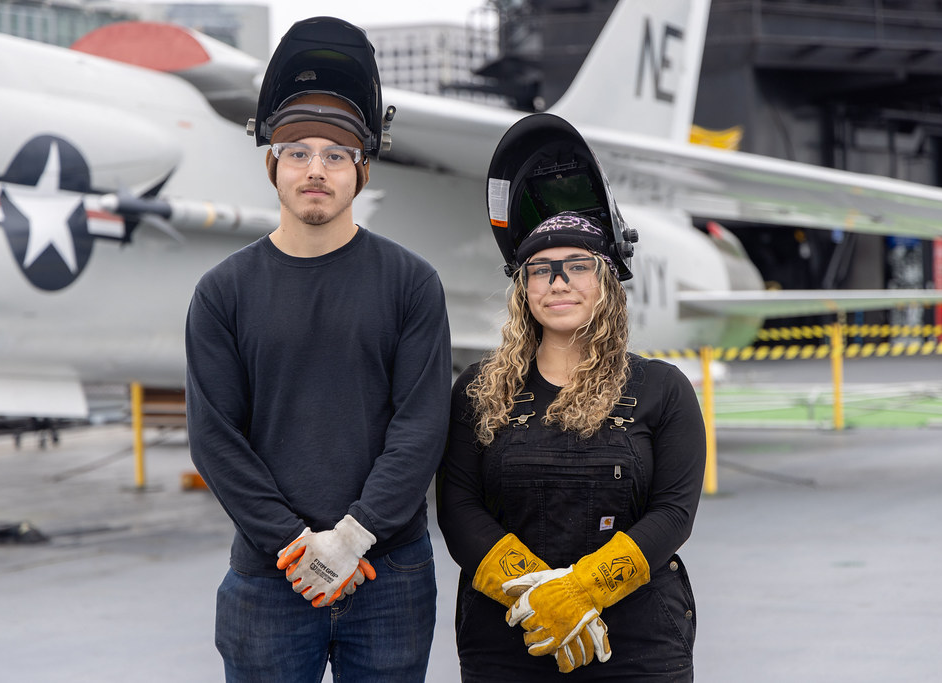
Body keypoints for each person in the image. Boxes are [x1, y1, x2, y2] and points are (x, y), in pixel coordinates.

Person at [185, 18, 451, 681]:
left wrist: (355, 535)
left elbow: (420, 426)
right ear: (271, 163)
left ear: (362, 169)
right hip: (271, 577)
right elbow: (215, 437)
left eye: (336, 155)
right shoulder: (223, 292)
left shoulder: (411, 283)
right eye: (297, 151)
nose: (315, 169)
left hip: (388, 574)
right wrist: (294, 543)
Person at [437, 211, 706, 681]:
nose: (558, 282)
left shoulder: (662, 388)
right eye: (541, 270)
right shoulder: (480, 388)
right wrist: (540, 598)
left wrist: (582, 591)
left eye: (578, 266)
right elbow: (458, 508)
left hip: (636, 646)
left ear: (608, 283)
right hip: (510, 636)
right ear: (524, 288)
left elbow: (673, 513)